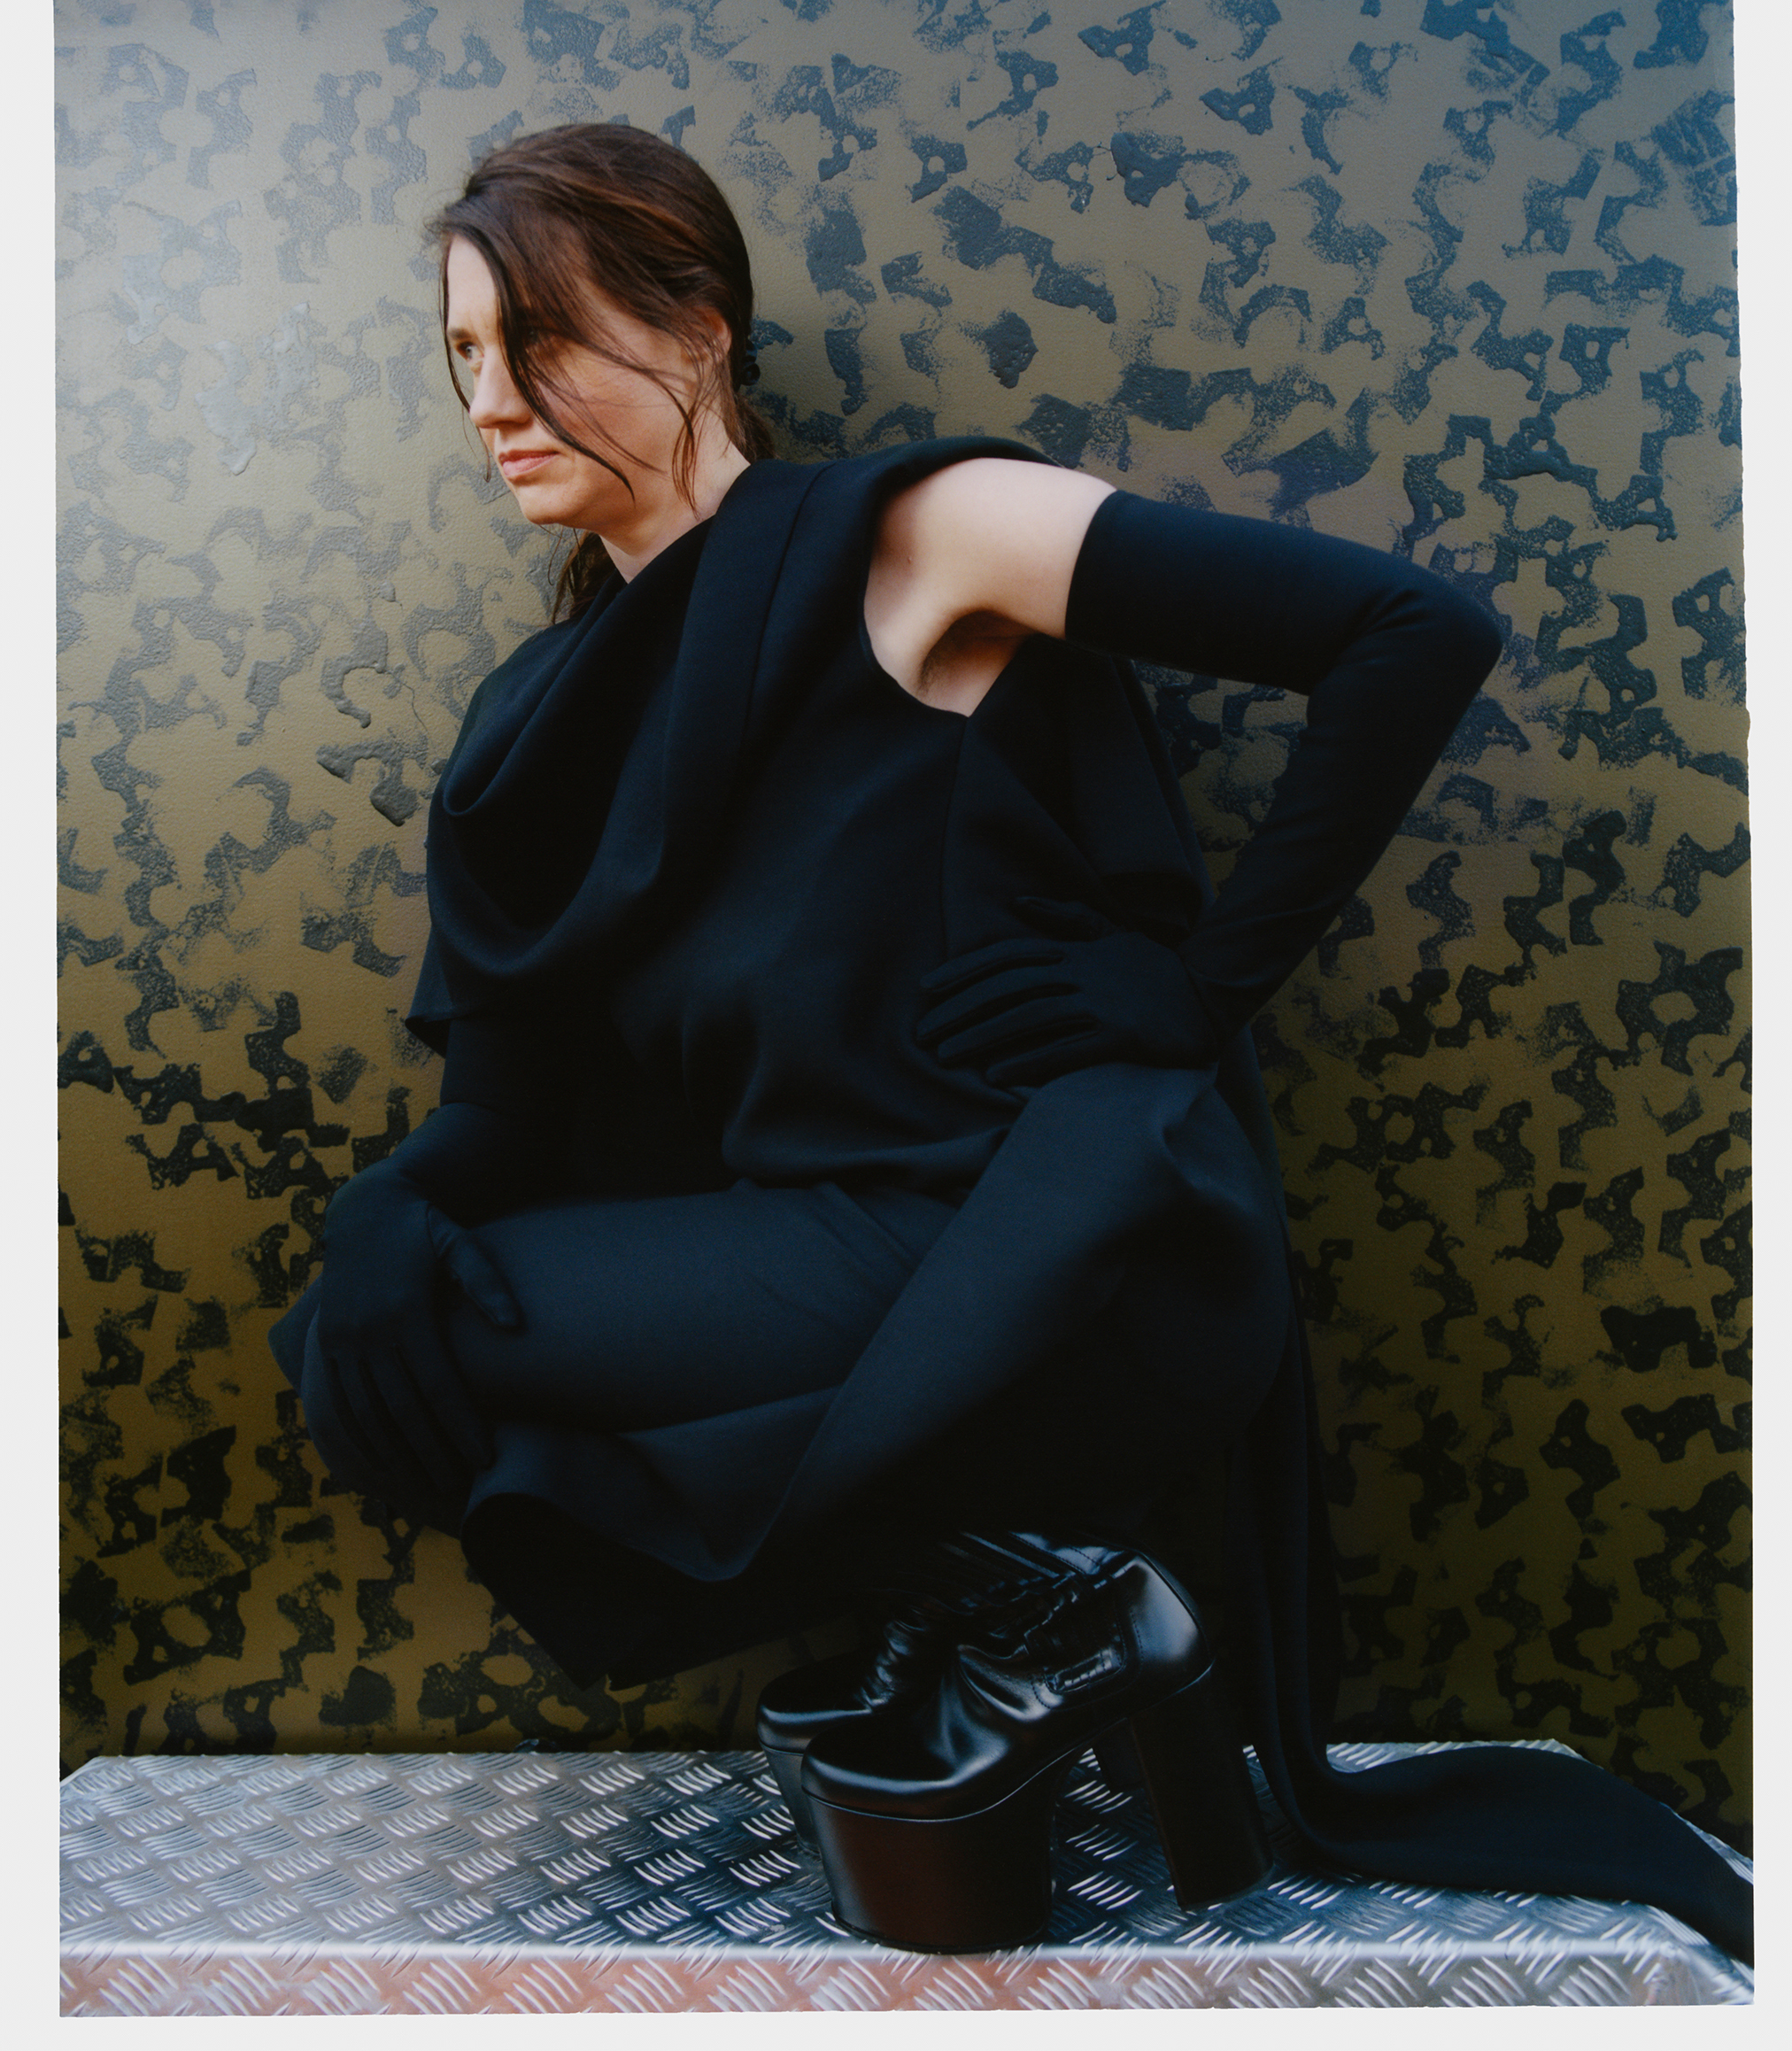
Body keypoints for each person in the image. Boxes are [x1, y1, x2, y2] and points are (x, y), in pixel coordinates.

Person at [270, 123, 1750, 1962]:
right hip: (823, 1246)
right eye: (463, 356)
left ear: (702, 329)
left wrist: (1196, 992)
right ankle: (1038, 1599)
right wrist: (387, 1210)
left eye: (541, 339)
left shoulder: (911, 538)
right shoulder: (532, 720)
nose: (494, 401)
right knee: (364, 1337)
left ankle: (1035, 1603)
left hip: (1057, 1244)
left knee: (427, 1335)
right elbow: (504, 1107)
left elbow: (1406, 632)